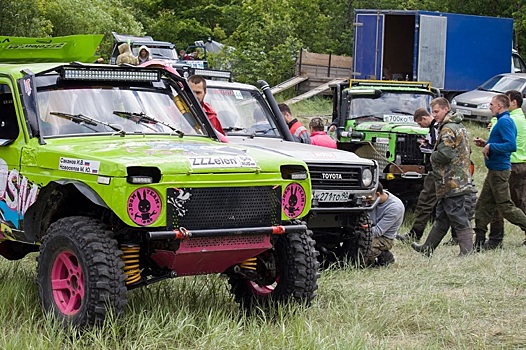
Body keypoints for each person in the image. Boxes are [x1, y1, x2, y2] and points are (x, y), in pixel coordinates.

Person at [411, 97, 474, 256]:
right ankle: (427, 248)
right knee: (442, 216)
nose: (434, 114)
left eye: (437, 111)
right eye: (433, 111)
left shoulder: (447, 129)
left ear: (446, 109)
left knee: (457, 215)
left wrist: (431, 155)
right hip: (454, 179)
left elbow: (445, 155)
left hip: (452, 180)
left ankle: (467, 251)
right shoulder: (459, 126)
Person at [473, 93, 526, 250]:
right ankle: (479, 242)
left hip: (500, 171)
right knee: (482, 205)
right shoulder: (501, 121)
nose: (489, 106)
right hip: (493, 169)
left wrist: (491, 147)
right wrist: (486, 143)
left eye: (491, 104)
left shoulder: (505, 122)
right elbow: (500, 142)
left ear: (499, 106)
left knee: (506, 207)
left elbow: (511, 145)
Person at [397, 108, 438, 242]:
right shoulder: (438, 127)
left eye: (420, 124)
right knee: (449, 204)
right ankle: (458, 236)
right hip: (440, 170)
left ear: (424, 118)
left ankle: (415, 234)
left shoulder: (437, 128)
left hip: (437, 171)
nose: (421, 127)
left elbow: (438, 149)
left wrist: (425, 147)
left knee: (425, 202)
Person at [365, 182, 405, 267]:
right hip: (368, 230)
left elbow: (378, 231)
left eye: (368, 198)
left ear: (378, 194)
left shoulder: (394, 208)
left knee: (363, 250)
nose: (366, 200)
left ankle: (383, 255)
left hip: (384, 238)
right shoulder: (373, 199)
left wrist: (361, 233)